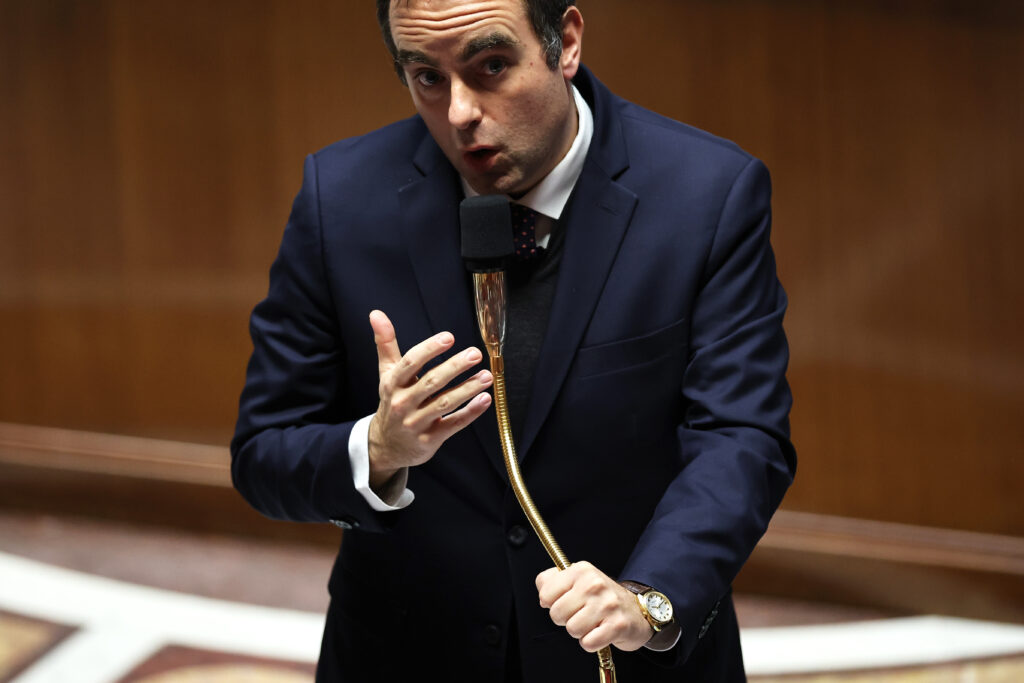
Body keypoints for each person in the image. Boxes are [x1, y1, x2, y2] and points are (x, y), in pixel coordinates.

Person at [231, 1, 795, 681]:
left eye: (492, 65)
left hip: (627, 659)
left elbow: (741, 436)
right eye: (427, 78)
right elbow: (263, 452)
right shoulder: (341, 197)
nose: (460, 112)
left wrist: (648, 598)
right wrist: (378, 450)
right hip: (407, 655)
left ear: (567, 42)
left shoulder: (708, 194)